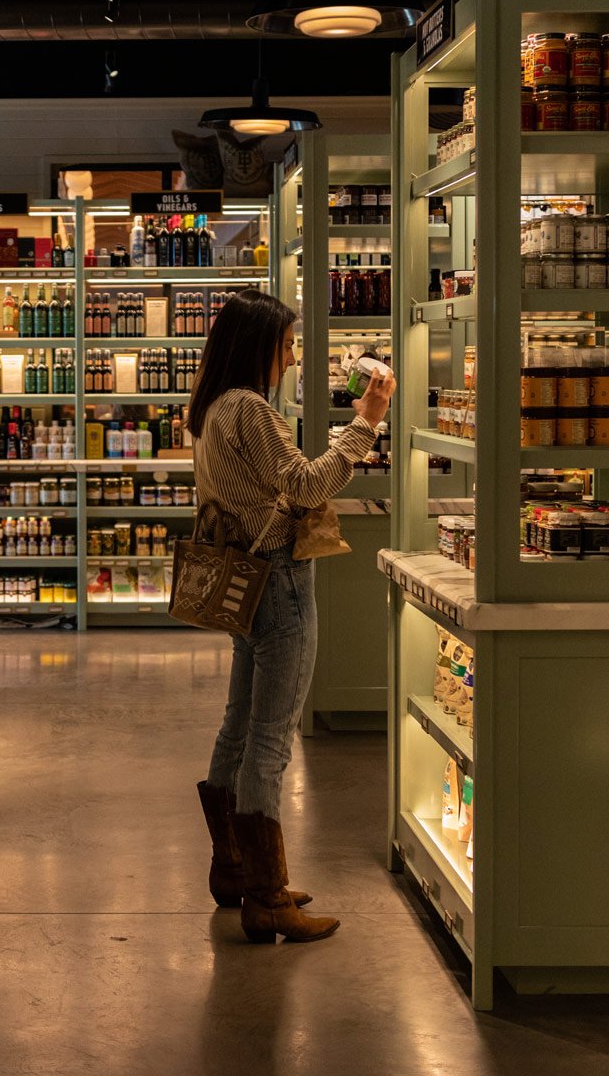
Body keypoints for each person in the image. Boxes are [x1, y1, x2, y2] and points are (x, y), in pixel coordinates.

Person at [188, 289, 392, 945]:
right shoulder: (252, 408)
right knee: (271, 739)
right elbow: (305, 486)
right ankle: (268, 899)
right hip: (279, 580)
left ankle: (234, 867)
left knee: (239, 724)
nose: (292, 355)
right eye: (287, 344)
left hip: (245, 578)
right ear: (261, 347)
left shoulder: (216, 407)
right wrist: (367, 422)